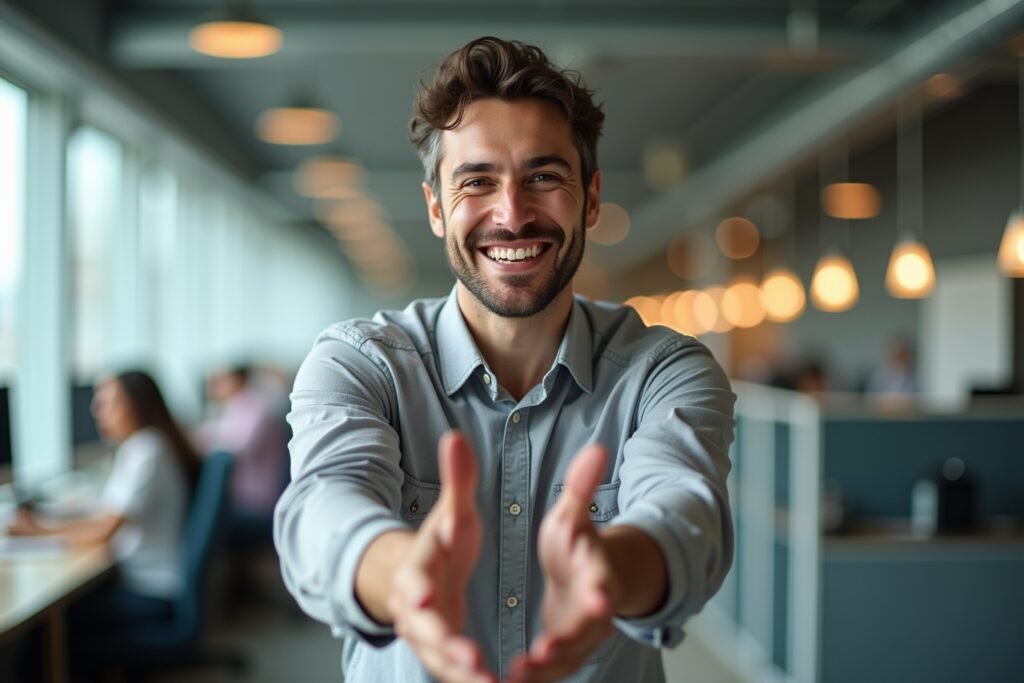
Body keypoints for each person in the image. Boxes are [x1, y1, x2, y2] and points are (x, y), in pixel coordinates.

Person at [274, 37, 736, 683]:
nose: (512, 214)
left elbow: (688, 511)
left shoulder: (665, 370)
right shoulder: (359, 363)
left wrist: (613, 567)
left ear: (591, 197)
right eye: (477, 181)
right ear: (436, 207)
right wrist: (400, 572)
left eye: (544, 177)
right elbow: (321, 504)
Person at [9, 369, 200, 600]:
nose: (97, 412)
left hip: (149, 585)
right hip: (141, 575)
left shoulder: (146, 451)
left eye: (109, 404)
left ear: (137, 406)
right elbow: (107, 512)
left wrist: (37, 530)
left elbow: (103, 530)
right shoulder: (143, 446)